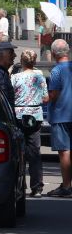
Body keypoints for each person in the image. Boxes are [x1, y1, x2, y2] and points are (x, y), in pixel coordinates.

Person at [12, 49, 49, 197]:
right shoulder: (40, 77)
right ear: (34, 62)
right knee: (34, 152)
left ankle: (20, 186)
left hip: (19, 115)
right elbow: (46, 98)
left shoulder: (15, 77)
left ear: (22, 61)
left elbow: (9, 95)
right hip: (35, 116)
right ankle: (37, 187)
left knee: (18, 152)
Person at [46, 39, 72, 197]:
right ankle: (67, 183)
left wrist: (45, 97)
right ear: (67, 51)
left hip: (61, 115)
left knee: (64, 152)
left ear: (54, 53)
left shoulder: (56, 71)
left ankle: (66, 186)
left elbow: (53, 94)